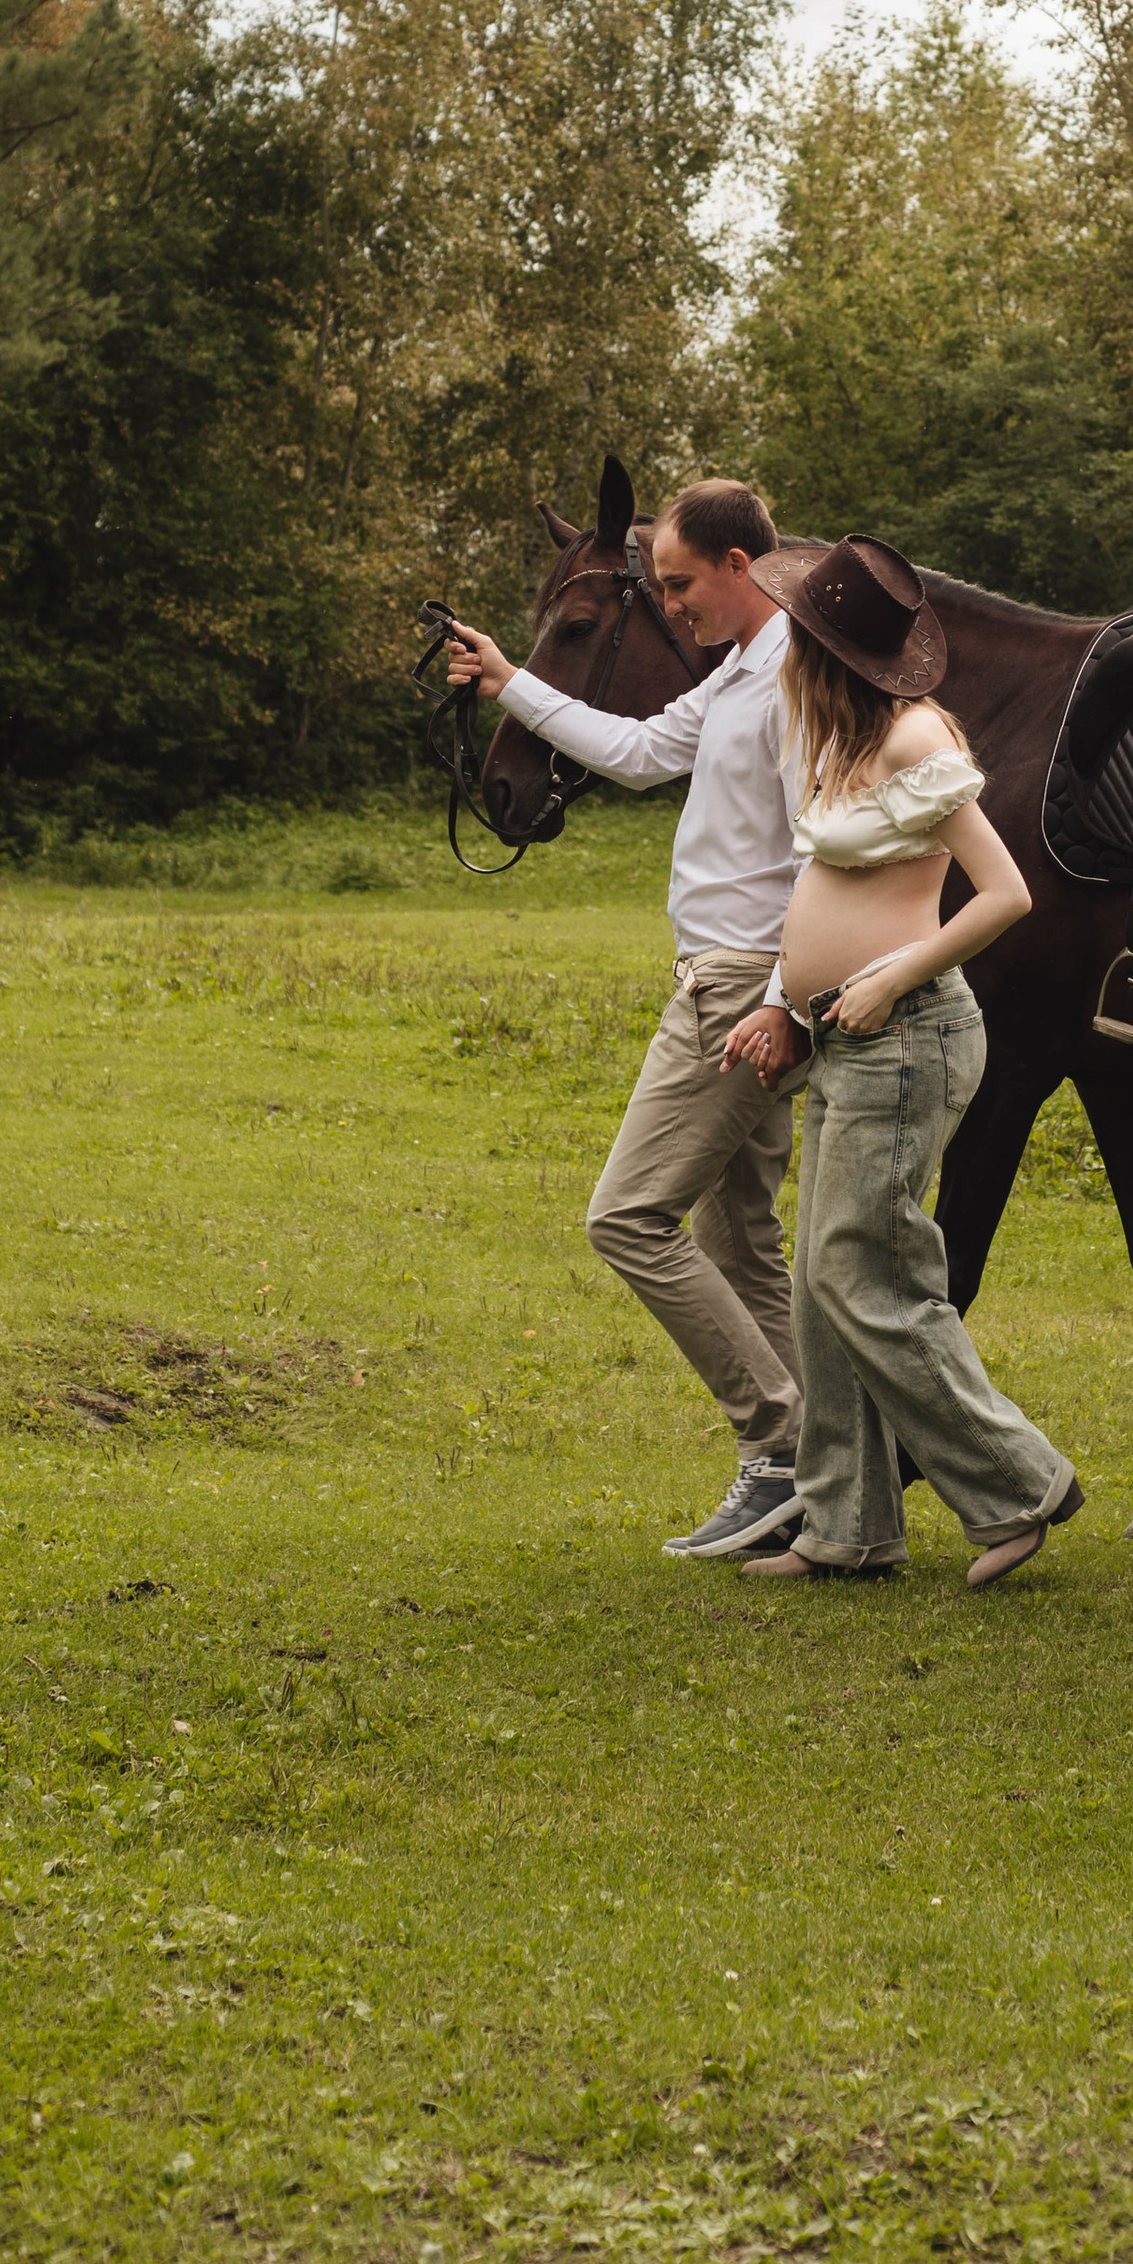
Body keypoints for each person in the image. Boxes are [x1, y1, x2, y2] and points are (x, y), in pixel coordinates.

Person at [442, 478, 807, 1561]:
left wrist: (785, 998)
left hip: (742, 988)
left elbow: (826, 849)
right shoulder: (741, 671)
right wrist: (510, 681)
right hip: (725, 975)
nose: (674, 604)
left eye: (683, 583)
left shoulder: (796, 675)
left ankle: (777, 1443)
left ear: (741, 568)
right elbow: (642, 751)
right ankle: (827, 1466)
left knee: (627, 1217)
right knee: (735, 1233)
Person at [719, 534, 1084, 1591]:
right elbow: (833, 896)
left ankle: (1017, 1483)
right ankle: (847, 1527)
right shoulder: (841, 732)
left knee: (860, 1271)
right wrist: (786, 1002)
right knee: (819, 1291)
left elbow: (1006, 892)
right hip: (838, 1031)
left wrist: (884, 979)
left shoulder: (915, 737)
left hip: (907, 1033)